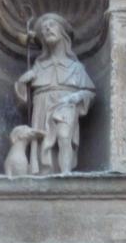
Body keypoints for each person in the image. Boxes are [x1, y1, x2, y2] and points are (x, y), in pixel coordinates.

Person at [15, 13, 95, 174]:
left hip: (65, 106)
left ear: (62, 33)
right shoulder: (38, 67)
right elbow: (23, 104)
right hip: (41, 108)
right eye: (44, 28)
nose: (47, 29)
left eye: (52, 25)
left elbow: (90, 93)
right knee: (42, 146)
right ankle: (44, 175)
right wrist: (22, 83)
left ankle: (65, 172)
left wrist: (76, 97)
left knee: (64, 138)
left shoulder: (75, 67)